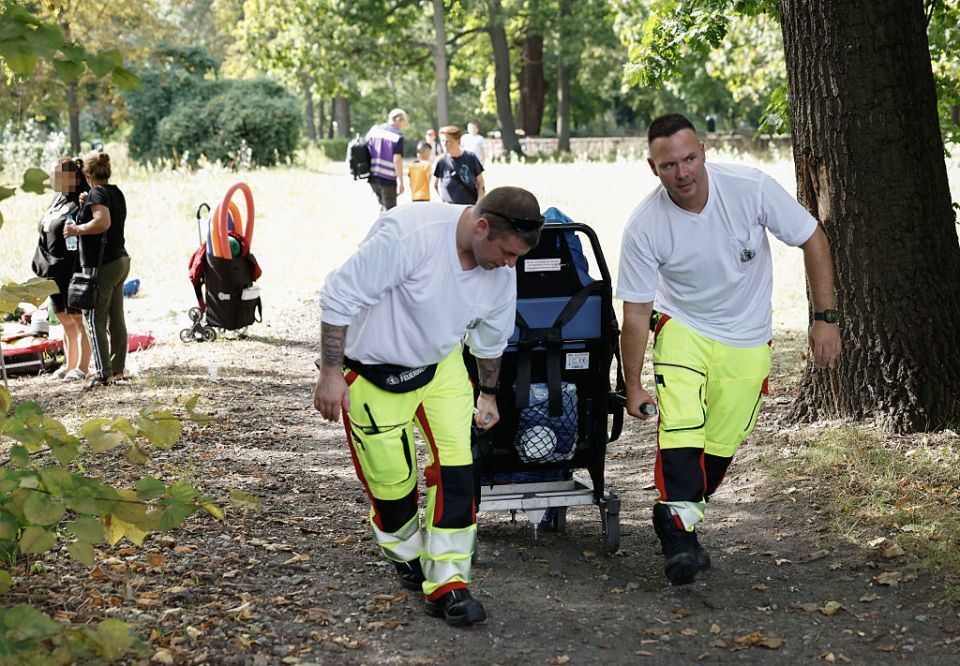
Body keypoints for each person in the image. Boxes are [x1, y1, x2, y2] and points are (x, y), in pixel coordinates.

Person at [617, 113, 841, 586]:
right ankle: (677, 533)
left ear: (704, 152)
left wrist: (825, 319)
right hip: (682, 325)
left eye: (689, 159)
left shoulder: (749, 188)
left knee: (722, 441)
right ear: (653, 168)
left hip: (747, 334)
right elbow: (635, 313)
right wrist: (632, 382)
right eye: (669, 165)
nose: (682, 173)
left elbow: (812, 238)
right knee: (682, 425)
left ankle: (678, 515)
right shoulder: (644, 225)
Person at [313, 187, 544, 627]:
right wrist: (330, 371)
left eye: (518, 256)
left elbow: (490, 338)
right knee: (392, 488)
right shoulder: (410, 234)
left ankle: (449, 584)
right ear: (481, 227)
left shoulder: (501, 268)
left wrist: (488, 393)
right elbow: (339, 295)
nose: (511, 265)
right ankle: (406, 555)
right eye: (508, 253)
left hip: (440, 367)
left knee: (458, 472)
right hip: (375, 372)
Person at [64, 152, 131, 389]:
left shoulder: (97, 193)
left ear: (87, 175)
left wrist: (76, 229)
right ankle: (118, 370)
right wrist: (87, 204)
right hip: (120, 260)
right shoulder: (115, 192)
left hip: (103, 265)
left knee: (94, 319)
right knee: (116, 318)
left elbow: (103, 222)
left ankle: (103, 373)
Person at [32, 157, 92, 381]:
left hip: (72, 268)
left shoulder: (83, 197)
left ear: (71, 176)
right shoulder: (58, 199)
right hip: (52, 270)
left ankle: (82, 367)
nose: (52, 179)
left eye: (56, 175)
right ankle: (69, 364)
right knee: (63, 318)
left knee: (78, 318)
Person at [366, 108, 407, 210]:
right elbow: (397, 160)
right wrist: (401, 182)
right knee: (391, 211)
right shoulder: (397, 135)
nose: (404, 126)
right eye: (404, 122)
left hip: (373, 178)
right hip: (388, 179)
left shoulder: (374, 131)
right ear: (398, 119)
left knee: (383, 207)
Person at [433, 125, 485, 205]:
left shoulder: (471, 157)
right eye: (442, 141)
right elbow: (434, 186)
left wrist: (479, 202)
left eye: (448, 141)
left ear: (458, 141)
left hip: (470, 207)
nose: (444, 144)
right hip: (449, 209)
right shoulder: (440, 161)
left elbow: (480, 182)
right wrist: (440, 202)